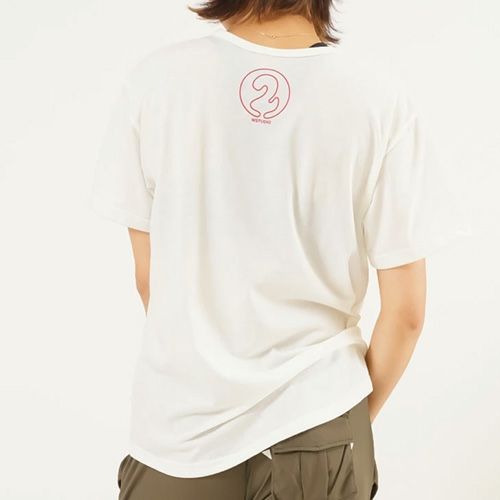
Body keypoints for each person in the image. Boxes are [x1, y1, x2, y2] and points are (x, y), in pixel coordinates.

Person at [90, 1, 468, 499]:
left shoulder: (155, 82)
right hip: (319, 422)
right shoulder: (376, 97)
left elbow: (151, 282)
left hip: (180, 436)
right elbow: (407, 314)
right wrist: (338, 418)